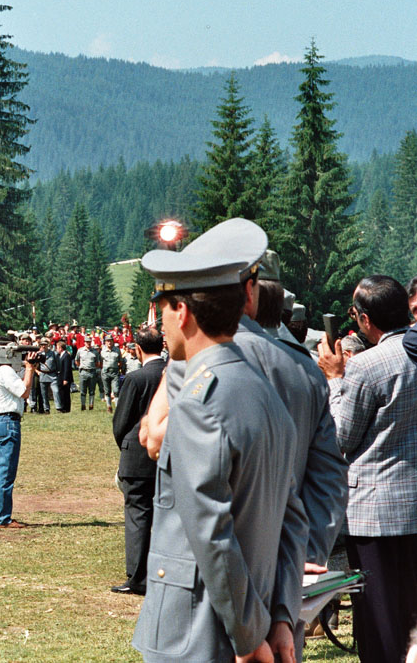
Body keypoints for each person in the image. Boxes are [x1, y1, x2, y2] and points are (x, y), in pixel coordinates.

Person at [132, 224, 308, 662]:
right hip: (260, 618)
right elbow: (293, 518)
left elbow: (212, 532)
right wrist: (282, 617)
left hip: (201, 634)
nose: (159, 322)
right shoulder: (263, 392)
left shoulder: (197, 402)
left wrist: (247, 638)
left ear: (182, 312)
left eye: (162, 307)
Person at [318, 274, 417, 663]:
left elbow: (341, 438)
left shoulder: (367, 366)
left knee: (380, 620)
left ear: (363, 318)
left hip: (377, 511)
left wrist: (334, 380)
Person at [109, 325, 165, 596]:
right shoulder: (173, 374)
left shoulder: (135, 378)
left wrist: (127, 447)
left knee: (137, 516)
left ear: (137, 349)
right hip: (168, 452)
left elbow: (121, 422)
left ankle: (137, 576)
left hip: (137, 454)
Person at [0, 343, 36, 529]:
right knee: (5, 472)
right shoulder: (5, 370)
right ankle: (3, 518)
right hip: (8, 422)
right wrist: (29, 368)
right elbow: (24, 391)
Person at [75, 336, 101, 410]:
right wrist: (81, 366)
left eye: (89, 342)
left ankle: (91, 405)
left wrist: (93, 367)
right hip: (83, 371)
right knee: (83, 390)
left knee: (92, 390)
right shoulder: (80, 351)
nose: (88, 343)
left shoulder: (95, 352)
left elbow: (97, 363)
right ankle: (83, 405)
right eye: (87, 342)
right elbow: (77, 361)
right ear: (84, 343)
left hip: (92, 372)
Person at [99, 339, 123, 413]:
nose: (109, 342)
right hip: (105, 373)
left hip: (114, 373)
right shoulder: (102, 351)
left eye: (110, 341)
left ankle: (117, 407)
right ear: (105, 342)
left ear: (113, 342)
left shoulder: (117, 350)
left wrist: (117, 368)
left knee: (116, 390)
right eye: (107, 341)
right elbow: (100, 362)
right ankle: (109, 407)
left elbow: (120, 361)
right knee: (107, 391)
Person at [56, 340, 73, 412]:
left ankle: (66, 408)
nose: (56, 349)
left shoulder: (66, 356)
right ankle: (63, 406)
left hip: (64, 377)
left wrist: (65, 379)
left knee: (65, 393)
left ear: (61, 348)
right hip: (60, 377)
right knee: (61, 392)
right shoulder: (60, 355)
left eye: (57, 348)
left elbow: (67, 368)